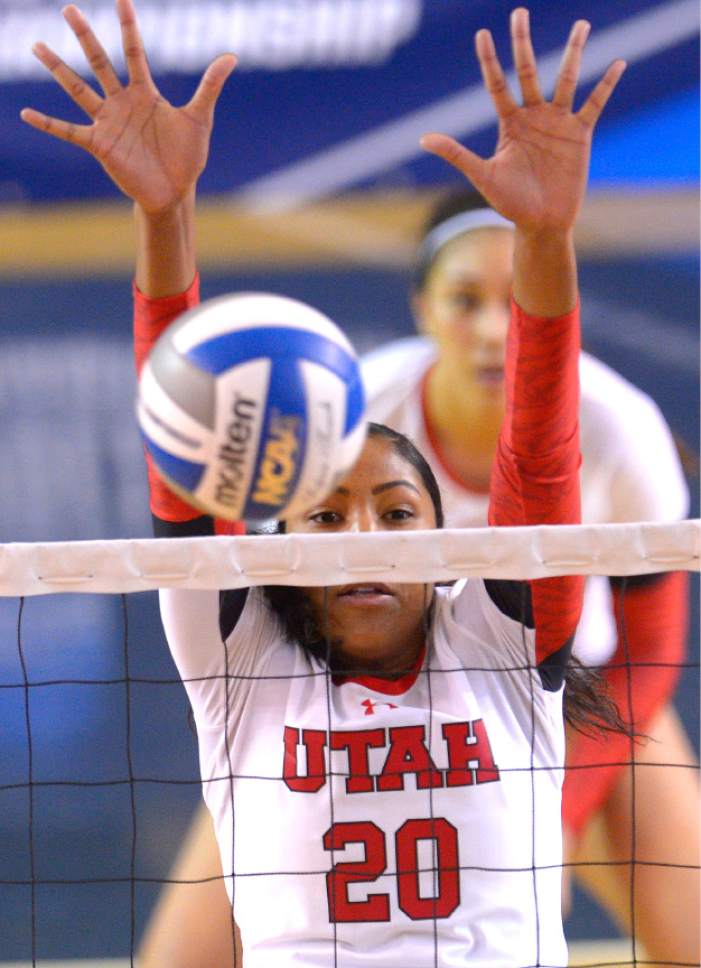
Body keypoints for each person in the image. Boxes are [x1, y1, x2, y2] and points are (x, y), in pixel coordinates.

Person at [22, 2, 630, 965]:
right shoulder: (241, 664)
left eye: (397, 515)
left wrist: (545, 242)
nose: (363, 538)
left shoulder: (502, 642)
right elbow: (187, 452)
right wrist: (162, 214)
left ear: (447, 547)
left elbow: (540, 455)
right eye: (328, 515)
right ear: (281, 545)